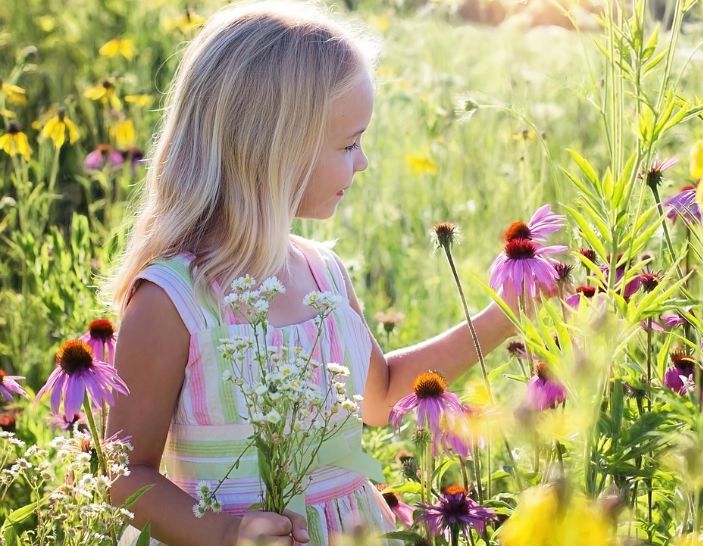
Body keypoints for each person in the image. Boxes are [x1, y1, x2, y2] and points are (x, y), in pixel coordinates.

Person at [102, 2, 520, 544]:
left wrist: (505, 314)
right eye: (349, 144)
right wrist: (227, 534)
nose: (363, 162)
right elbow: (125, 476)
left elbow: (381, 396)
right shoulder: (173, 300)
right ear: (273, 150)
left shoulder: (325, 274)